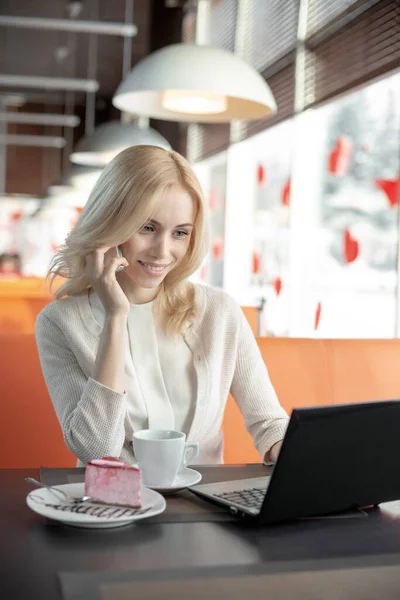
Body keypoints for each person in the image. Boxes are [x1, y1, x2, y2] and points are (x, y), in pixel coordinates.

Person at [36, 145, 288, 467]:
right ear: (111, 224)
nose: (162, 251)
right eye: (147, 228)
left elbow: (270, 426)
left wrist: (302, 463)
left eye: (180, 233)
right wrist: (116, 316)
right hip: (114, 509)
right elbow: (98, 449)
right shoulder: (60, 323)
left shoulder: (219, 312)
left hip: (205, 510)